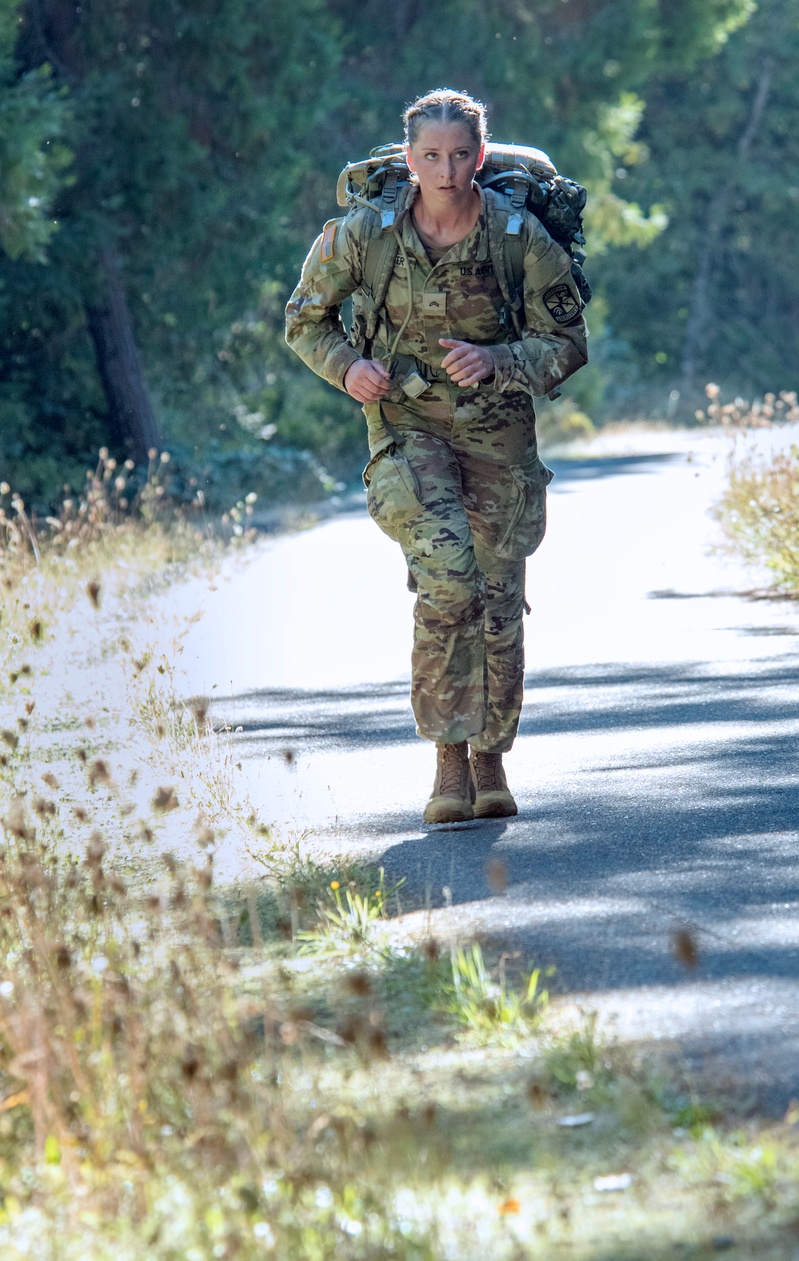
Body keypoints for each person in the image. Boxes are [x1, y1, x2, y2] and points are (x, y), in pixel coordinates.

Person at [285, 88, 587, 823]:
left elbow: (569, 344)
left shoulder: (519, 238)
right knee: (449, 578)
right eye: (430, 157)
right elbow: (304, 319)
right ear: (409, 158)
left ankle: (490, 760)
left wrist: (500, 361)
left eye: (459, 157)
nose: (445, 172)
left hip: (500, 438)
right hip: (407, 431)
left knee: (498, 597)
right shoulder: (366, 235)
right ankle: (448, 763)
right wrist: (348, 368)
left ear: (479, 157)